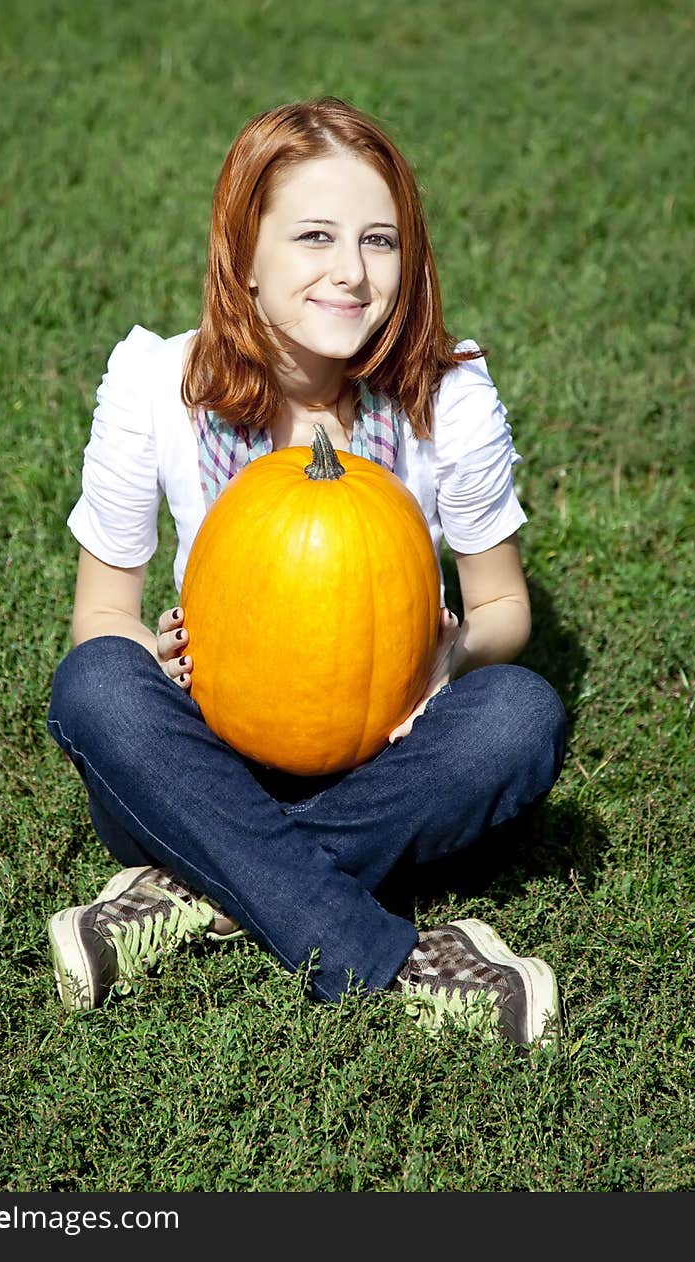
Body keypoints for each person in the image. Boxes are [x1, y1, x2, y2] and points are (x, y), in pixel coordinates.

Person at [46, 97, 567, 1048]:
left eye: (379, 240)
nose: (352, 272)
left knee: (521, 716)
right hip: (201, 750)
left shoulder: (445, 395)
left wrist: (446, 665)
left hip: (386, 753)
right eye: (315, 237)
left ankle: (196, 889)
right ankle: (395, 961)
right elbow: (102, 615)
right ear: (245, 252)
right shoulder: (155, 386)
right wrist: (150, 659)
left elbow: (500, 605)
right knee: (95, 689)